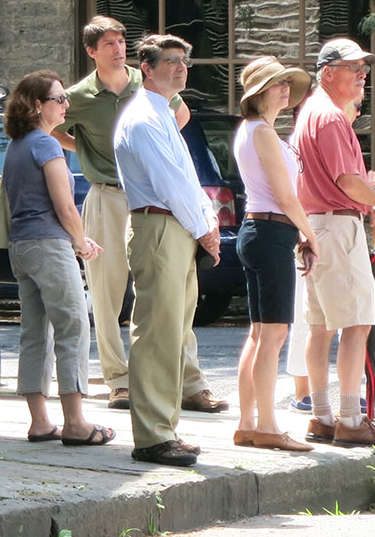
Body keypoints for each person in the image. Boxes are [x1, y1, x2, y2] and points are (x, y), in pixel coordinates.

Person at [52, 15, 227, 414]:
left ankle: (191, 382)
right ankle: (118, 380)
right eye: (109, 43)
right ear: (92, 52)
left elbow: (179, 119)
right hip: (109, 195)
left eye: (121, 41)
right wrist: (83, 149)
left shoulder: (146, 85)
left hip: (154, 198)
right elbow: (47, 126)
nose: (118, 48)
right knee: (108, 289)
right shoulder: (78, 95)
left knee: (174, 297)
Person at [113, 34, 220, 467]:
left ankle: (165, 428)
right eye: (171, 61)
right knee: (157, 333)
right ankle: (153, 436)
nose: (180, 68)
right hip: (158, 224)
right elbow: (169, 183)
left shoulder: (162, 113)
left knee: (175, 332)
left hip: (174, 226)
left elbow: (187, 178)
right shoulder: (143, 118)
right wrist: (205, 230)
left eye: (184, 61)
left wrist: (206, 223)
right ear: (147, 69)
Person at [290, 37, 375, 447]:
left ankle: (321, 416)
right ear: (328, 73)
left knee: (320, 327)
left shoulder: (308, 113)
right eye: (354, 68)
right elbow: (347, 182)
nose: (362, 75)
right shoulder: (332, 118)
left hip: (314, 226)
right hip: (337, 227)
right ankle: (351, 420)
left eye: (363, 69)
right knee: (356, 324)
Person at [3, 71, 115, 446]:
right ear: (38, 105)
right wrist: (79, 242)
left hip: (22, 245)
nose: (66, 105)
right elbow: (64, 206)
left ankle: (39, 422)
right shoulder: (46, 145)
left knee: (34, 333)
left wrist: (81, 238)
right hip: (49, 246)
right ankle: (76, 422)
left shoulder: (17, 145)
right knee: (73, 327)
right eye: (60, 99)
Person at [230, 57, 317, 452]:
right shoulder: (261, 132)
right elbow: (285, 196)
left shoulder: (254, 130)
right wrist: (310, 232)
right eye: (277, 83)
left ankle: (249, 423)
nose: (285, 89)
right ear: (258, 92)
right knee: (274, 334)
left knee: (260, 333)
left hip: (258, 230)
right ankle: (266, 425)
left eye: (287, 83)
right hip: (270, 230)